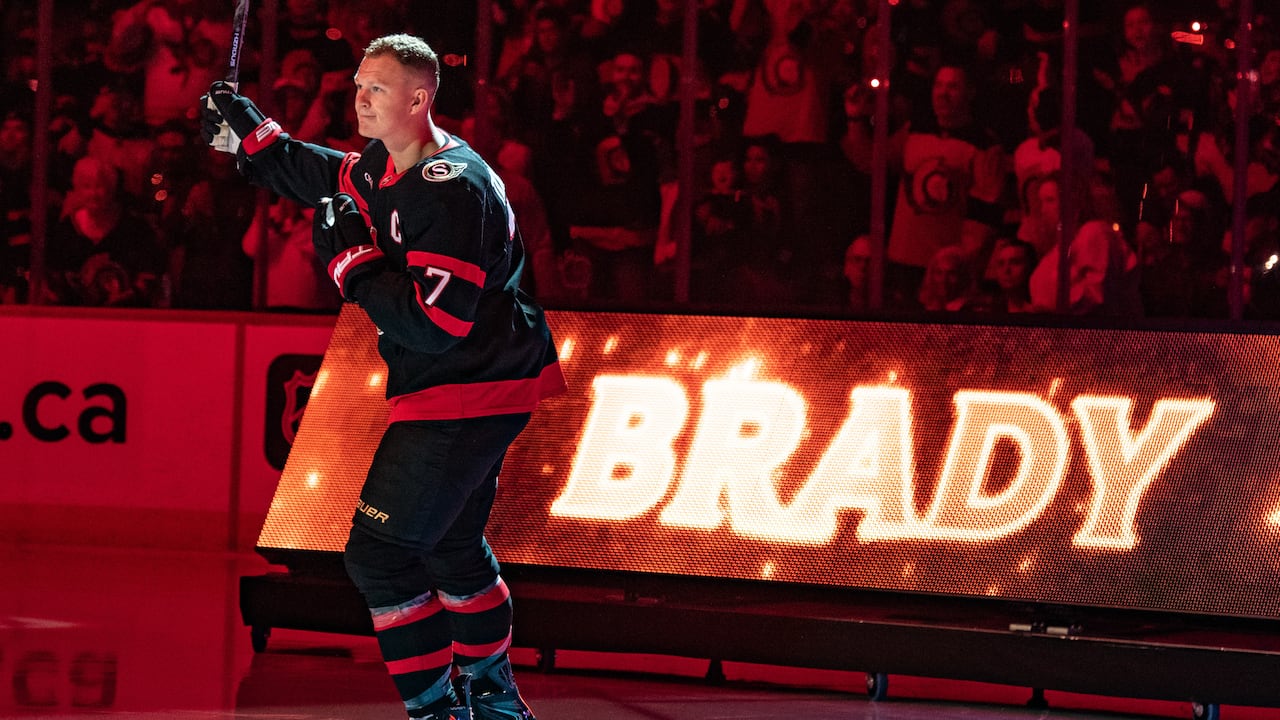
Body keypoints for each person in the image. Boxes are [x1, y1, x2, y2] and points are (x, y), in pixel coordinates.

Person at [200, 33, 566, 720]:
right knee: (453, 546)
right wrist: (252, 137)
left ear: (419, 98)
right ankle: (495, 704)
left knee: (379, 558)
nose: (360, 99)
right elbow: (332, 177)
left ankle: (441, 713)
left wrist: (356, 270)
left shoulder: (453, 192)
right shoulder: (389, 161)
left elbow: (436, 325)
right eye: (359, 85)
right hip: (479, 377)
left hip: (467, 385)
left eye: (376, 89)